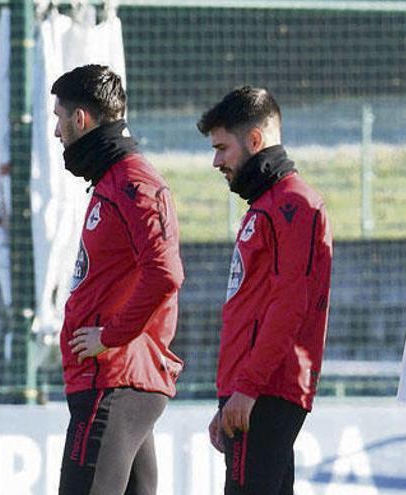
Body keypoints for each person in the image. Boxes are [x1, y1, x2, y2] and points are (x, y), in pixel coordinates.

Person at [53, 64, 185, 494]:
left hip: (113, 378)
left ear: (80, 119)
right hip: (115, 377)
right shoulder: (112, 182)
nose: (57, 132)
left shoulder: (134, 183)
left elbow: (165, 273)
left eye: (59, 118)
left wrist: (110, 335)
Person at [197, 86, 333, 495]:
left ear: (254, 141)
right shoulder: (268, 205)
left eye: (222, 148)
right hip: (253, 391)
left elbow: (290, 305)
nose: (216, 161)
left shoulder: (293, 204)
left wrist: (247, 388)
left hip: (265, 392)